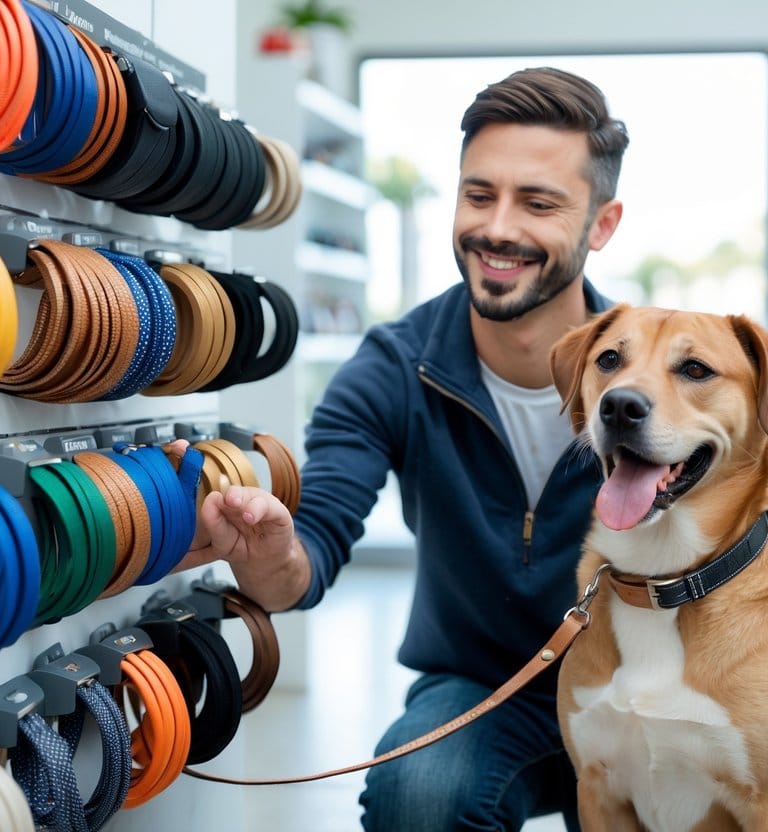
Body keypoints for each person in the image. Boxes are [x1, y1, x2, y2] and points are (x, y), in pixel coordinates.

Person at [179, 66, 628, 831]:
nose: (498, 228)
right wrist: (271, 559)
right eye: (478, 194)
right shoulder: (394, 367)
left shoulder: (649, 377)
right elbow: (309, 551)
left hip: (639, 683)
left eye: (538, 202)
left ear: (601, 225)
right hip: (480, 685)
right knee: (416, 793)